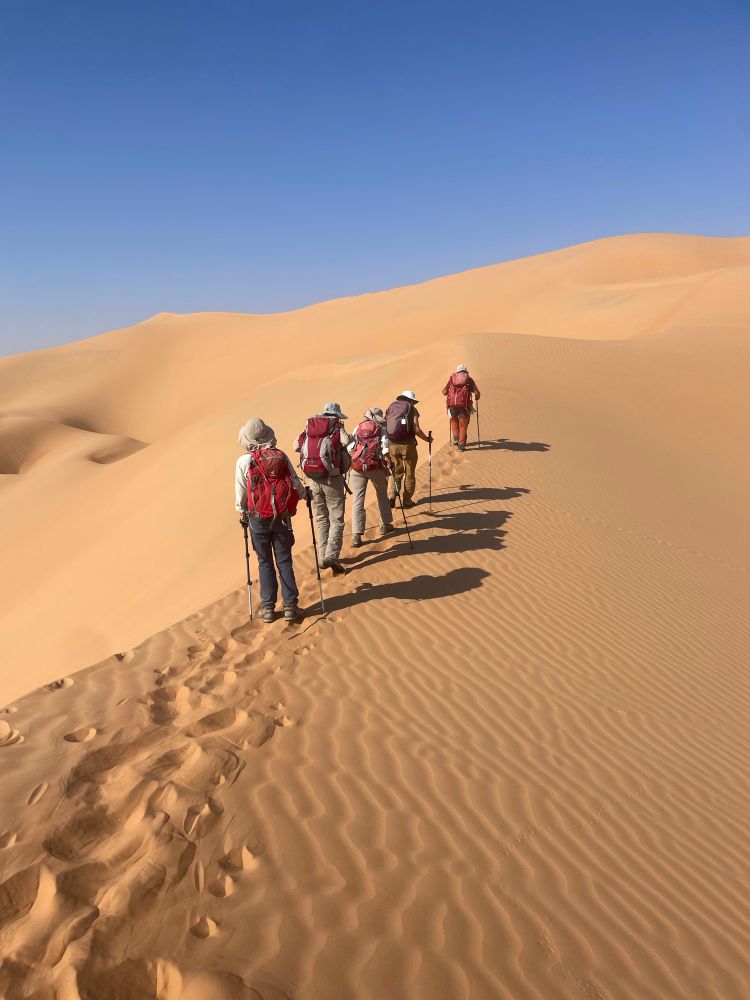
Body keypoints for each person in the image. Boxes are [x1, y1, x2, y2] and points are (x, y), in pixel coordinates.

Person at [235, 417, 307, 623]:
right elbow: (295, 482)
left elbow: (240, 492)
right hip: (281, 517)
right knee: (284, 561)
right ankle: (291, 606)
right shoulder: (281, 456)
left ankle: (267, 607)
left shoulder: (243, 462)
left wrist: (241, 511)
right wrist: (304, 495)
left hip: (257, 518)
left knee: (264, 561)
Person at [295, 402, 352, 575]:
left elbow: (296, 445)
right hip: (332, 477)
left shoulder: (310, 427)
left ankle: (321, 558)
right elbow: (346, 441)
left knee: (321, 518)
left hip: (313, 478)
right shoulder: (336, 425)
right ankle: (331, 555)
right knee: (336, 518)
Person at [347, 408, 396, 547]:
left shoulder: (358, 427)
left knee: (357, 500)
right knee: (382, 496)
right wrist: (389, 462)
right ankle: (385, 525)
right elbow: (385, 449)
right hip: (375, 467)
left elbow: (350, 447)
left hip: (357, 467)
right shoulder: (381, 429)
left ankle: (356, 536)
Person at [385, 390, 432, 509]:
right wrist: (427, 439)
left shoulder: (391, 407)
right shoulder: (412, 409)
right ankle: (406, 500)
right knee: (409, 471)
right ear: (411, 400)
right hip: (408, 445)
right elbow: (416, 428)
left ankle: (392, 495)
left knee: (396, 471)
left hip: (392, 444)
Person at [443, 364, 480, 451]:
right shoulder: (469, 380)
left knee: (454, 420)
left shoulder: (452, 379)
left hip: (452, 406)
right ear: (465, 371)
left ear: (457, 371)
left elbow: (444, 392)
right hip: (465, 406)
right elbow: (477, 393)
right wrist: (477, 397)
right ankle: (461, 446)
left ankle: (456, 439)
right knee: (463, 426)